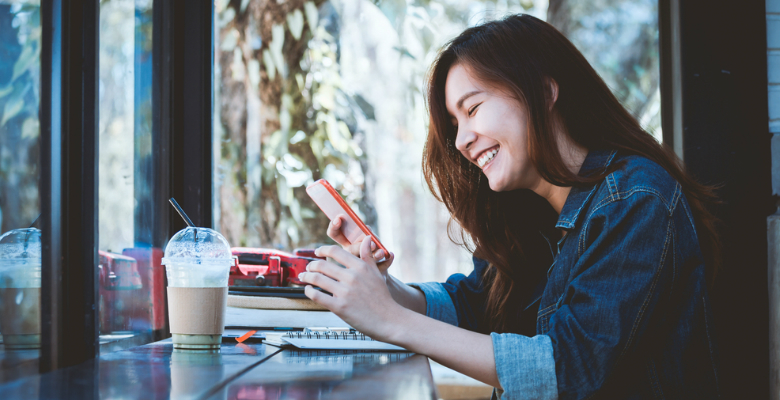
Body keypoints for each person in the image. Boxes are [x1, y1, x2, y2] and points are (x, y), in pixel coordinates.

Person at [297, 14, 721, 399]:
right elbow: (474, 306)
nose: (461, 140)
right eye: (455, 124)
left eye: (473, 108)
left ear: (543, 90)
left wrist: (390, 320)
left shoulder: (635, 198)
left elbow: (569, 368)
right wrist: (384, 289)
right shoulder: (534, 212)